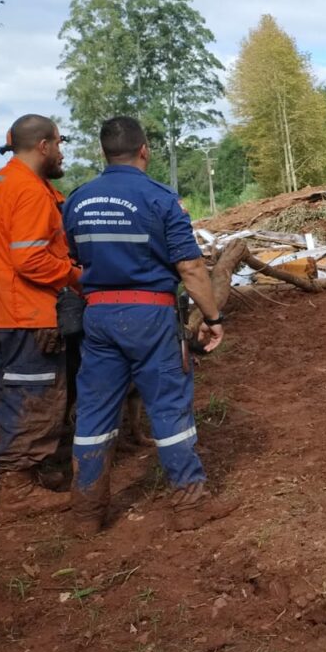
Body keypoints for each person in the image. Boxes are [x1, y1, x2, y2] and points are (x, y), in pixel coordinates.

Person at [62, 117, 232, 536]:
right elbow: (191, 267)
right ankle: (189, 504)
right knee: (169, 405)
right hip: (150, 317)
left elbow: (74, 260)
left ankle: (86, 513)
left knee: (95, 411)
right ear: (145, 150)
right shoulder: (160, 199)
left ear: (104, 152)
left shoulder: (77, 201)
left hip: (98, 317)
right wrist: (212, 318)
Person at [0, 115, 81, 519]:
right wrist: (76, 278)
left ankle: (10, 476)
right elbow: (30, 258)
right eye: (60, 144)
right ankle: (15, 489)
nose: (62, 152)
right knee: (36, 399)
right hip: (26, 314)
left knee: (7, 393)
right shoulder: (29, 191)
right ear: (44, 145)